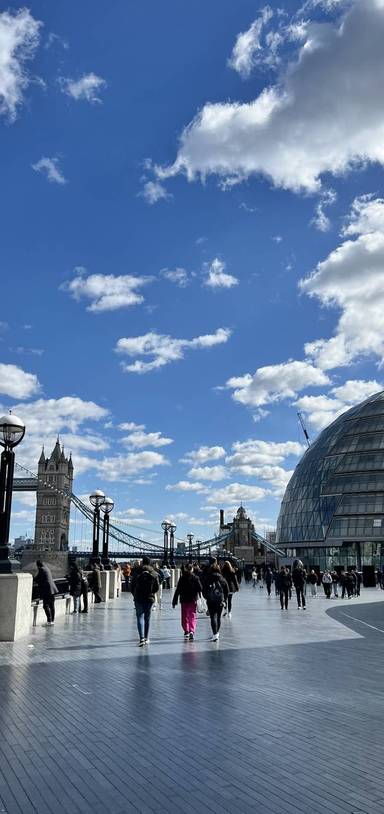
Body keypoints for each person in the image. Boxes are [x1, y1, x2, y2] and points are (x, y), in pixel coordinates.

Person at [131, 556, 159, 646]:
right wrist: (152, 593)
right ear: (150, 562)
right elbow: (156, 588)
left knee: (139, 617)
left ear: (142, 562)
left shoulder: (137, 572)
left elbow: (132, 585)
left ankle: (141, 638)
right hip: (149, 598)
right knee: (147, 618)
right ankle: (147, 638)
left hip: (138, 597)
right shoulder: (154, 573)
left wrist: (134, 594)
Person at [172, 563, 202, 640]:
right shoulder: (195, 578)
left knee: (184, 615)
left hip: (184, 599)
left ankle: (186, 630)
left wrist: (174, 600)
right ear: (192, 569)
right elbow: (200, 588)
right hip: (193, 599)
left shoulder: (182, 578)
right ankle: (192, 630)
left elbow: (178, 590)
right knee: (192, 615)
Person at [203, 564, 229, 641]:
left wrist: (207, 597)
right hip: (220, 601)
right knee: (218, 617)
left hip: (211, 601)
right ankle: (217, 633)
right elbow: (226, 591)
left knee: (212, 617)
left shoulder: (208, 578)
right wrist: (224, 600)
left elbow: (204, 590)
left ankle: (214, 634)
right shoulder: (222, 579)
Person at [36, 560, 58, 626]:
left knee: (45, 606)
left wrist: (33, 578)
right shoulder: (47, 568)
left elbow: (38, 578)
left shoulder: (41, 569)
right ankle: (52, 620)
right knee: (52, 605)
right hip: (52, 590)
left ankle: (49, 621)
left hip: (47, 590)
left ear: (38, 566)